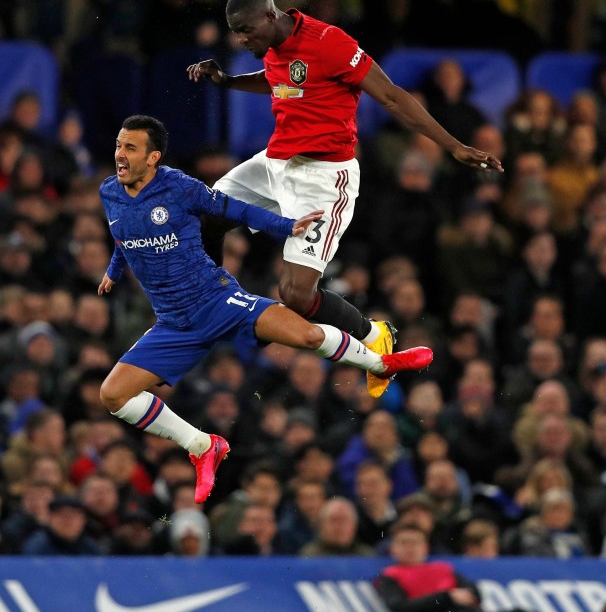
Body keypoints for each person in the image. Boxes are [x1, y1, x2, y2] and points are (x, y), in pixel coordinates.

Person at [187, 0, 501, 397]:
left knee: (296, 295)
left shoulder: (328, 42)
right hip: (276, 162)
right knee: (206, 212)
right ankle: (214, 307)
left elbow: (391, 96)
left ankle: (374, 335)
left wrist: (453, 146)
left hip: (322, 177)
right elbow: (278, 80)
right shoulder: (274, 47)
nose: (241, 40)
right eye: (236, 33)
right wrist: (227, 81)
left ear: (269, 15)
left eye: (246, 30)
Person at [97, 115, 433, 504]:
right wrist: (113, 272)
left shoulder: (178, 187)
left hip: (218, 300)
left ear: (153, 157)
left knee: (307, 335)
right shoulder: (110, 192)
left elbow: (235, 209)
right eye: (119, 145)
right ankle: (202, 445)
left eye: (130, 148)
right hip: (174, 323)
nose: (120, 154)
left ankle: (380, 363)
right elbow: (123, 235)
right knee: (113, 395)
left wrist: (286, 226)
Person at [375, 522, 606, 612]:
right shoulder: (390, 575)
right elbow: (400, 610)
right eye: (404, 543)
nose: (410, 548)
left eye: (415, 542)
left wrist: (458, 596)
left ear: (425, 547)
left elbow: (475, 593)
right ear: (393, 548)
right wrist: (447, 597)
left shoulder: (443, 568)